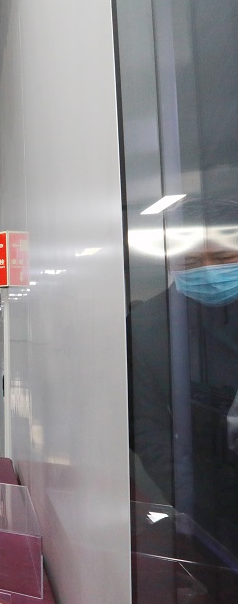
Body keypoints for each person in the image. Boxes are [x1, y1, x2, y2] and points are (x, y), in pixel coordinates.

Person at [130, 198, 238, 560]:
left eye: (223, 258)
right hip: (203, 490)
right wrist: (191, 499)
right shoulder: (148, 326)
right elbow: (146, 425)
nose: (209, 271)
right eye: (190, 262)